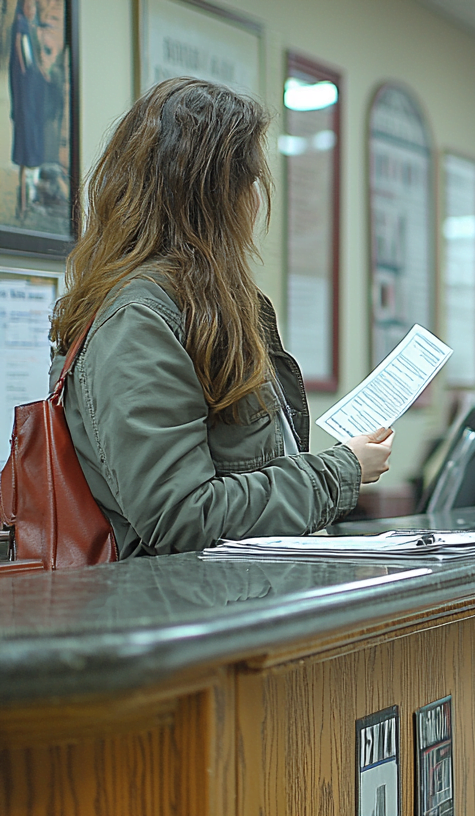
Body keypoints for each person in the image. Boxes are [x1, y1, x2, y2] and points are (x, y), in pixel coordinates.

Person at [47, 77, 392, 559]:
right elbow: (183, 515)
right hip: (176, 617)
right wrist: (338, 474)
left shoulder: (209, 307)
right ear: (214, 197)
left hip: (237, 603)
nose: (255, 205)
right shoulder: (138, 319)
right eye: (250, 184)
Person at [9, 0, 47, 218]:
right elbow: (24, 63)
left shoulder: (30, 29)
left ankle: (28, 199)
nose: (31, 10)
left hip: (32, 99)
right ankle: (24, 202)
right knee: (26, 148)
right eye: (28, 5)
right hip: (26, 100)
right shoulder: (21, 27)